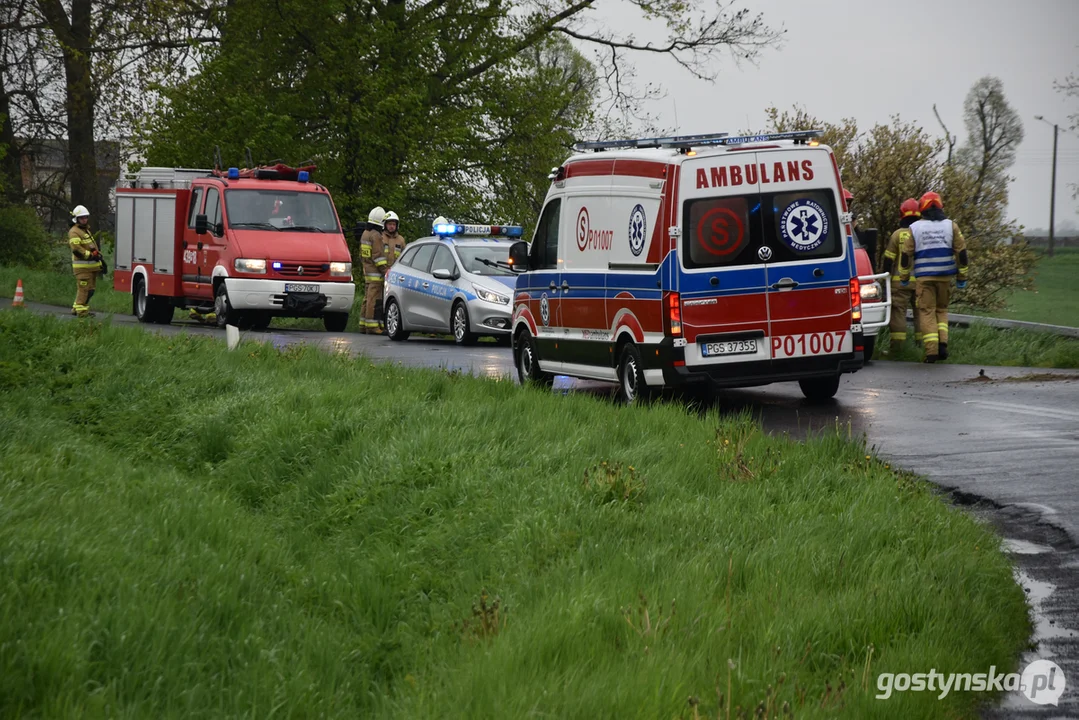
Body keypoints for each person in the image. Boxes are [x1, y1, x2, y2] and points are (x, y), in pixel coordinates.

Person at [898, 192, 970, 363]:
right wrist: (962, 276)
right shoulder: (951, 226)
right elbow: (962, 252)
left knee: (927, 311)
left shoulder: (915, 228)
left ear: (922, 208)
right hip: (945, 277)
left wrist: (904, 276)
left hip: (924, 278)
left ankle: (932, 352)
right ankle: (943, 344)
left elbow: (906, 254)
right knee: (942, 310)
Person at [881, 198, 922, 354]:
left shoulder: (897, 235)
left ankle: (897, 349)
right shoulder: (922, 234)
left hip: (900, 284)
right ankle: (921, 346)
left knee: (898, 314)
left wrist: (886, 281)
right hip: (921, 282)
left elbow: (888, 259)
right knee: (921, 314)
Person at [68, 205, 103, 318]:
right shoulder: (74, 232)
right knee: (84, 290)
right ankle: (81, 312)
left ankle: (76, 308)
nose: (84, 219)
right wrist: (90, 256)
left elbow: (92, 247)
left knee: (90, 290)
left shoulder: (85, 230)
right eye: (82, 218)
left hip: (91, 268)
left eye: (86, 217)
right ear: (76, 219)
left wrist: (100, 259)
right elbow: (77, 249)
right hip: (82, 269)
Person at [359, 206, 386, 333]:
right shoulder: (376, 236)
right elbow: (378, 256)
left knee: (366, 298)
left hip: (367, 271)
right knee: (373, 300)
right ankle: (372, 326)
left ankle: (363, 324)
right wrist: (385, 271)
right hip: (376, 273)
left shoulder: (365, 234)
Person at [378, 211, 406, 331]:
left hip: (394, 276)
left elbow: (405, 258)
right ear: (385, 225)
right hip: (380, 272)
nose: (391, 226)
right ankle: (377, 324)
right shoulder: (380, 237)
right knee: (379, 300)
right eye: (389, 224)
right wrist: (384, 269)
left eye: (394, 224)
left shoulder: (400, 240)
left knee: (391, 301)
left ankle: (387, 326)